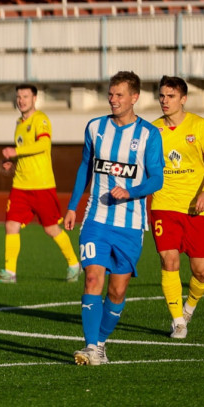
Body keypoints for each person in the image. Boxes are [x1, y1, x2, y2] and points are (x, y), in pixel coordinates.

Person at [65, 71, 164, 365]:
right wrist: (72, 206)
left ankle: (101, 342)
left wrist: (131, 191)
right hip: (95, 219)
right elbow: (85, 167)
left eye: (119, 95)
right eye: (110, 94)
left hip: (131, 226)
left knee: (117, 291)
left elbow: (157, 178)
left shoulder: (149, 134)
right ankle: (91, 346)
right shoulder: (95, 127)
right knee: (93, 277)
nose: (113, 100)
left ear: (134, 97)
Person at [0, 84, 81, 284]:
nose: (21, 100)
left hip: (41, 185)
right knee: (11, 224)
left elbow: (44, 144)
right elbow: (24, 151)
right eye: (19, 97)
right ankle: (9, 272)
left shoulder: (41, 119)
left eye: (25, 96)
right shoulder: (19, 123)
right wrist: (11, 161)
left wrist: (15, 152)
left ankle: (74, 264)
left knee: (50, 229)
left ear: (34, 99)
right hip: (20, 185)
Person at [150, 76, 204, 338]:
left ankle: (189, 307)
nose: (165, 101)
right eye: (162, 96)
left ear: (183, 99)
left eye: (171, 96)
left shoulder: (200, 126)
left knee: (202, 271)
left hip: (196, 208)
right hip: (164, 204)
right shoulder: (152, 130)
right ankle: (178, 321)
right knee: (170, 261)